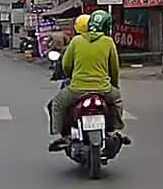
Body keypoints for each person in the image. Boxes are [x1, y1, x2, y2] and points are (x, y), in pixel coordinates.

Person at [48, 10, 126, 150]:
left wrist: (70, 75)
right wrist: (114, 85)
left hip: (77, 88)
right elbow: (114, 68)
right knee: (117, 101)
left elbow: (66, 65)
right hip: (103, 88)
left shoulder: (76, 41)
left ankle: (61, 135)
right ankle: (114, 129)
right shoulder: (108, 42)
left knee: (57, 104)